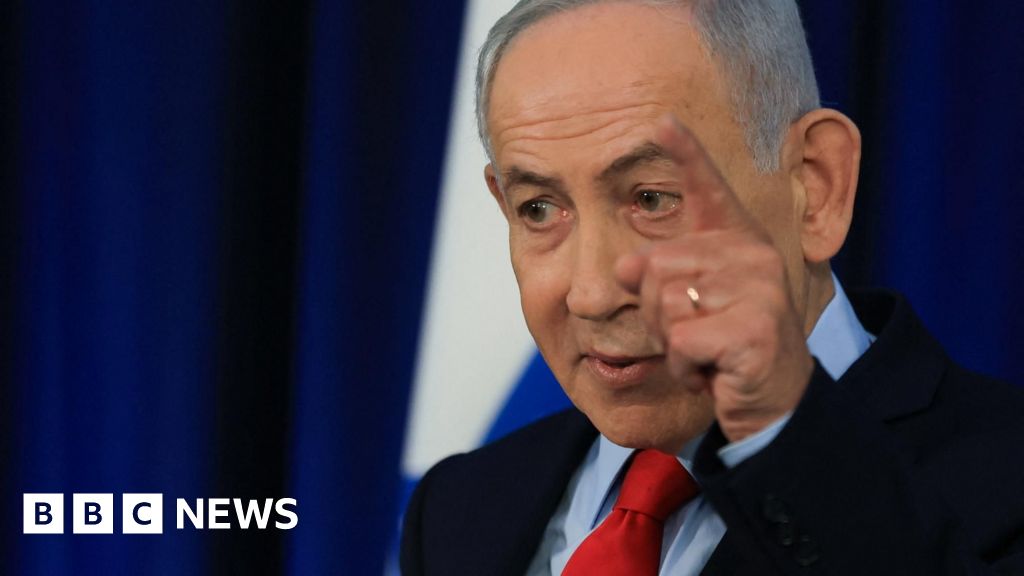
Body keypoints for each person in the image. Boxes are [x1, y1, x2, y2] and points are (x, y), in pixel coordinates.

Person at [400, 1, 1024, 574]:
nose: (591, 294)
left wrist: (778, 425)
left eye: (653, 199)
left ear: (816, 186)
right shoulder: (457, 509)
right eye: (539, 209)